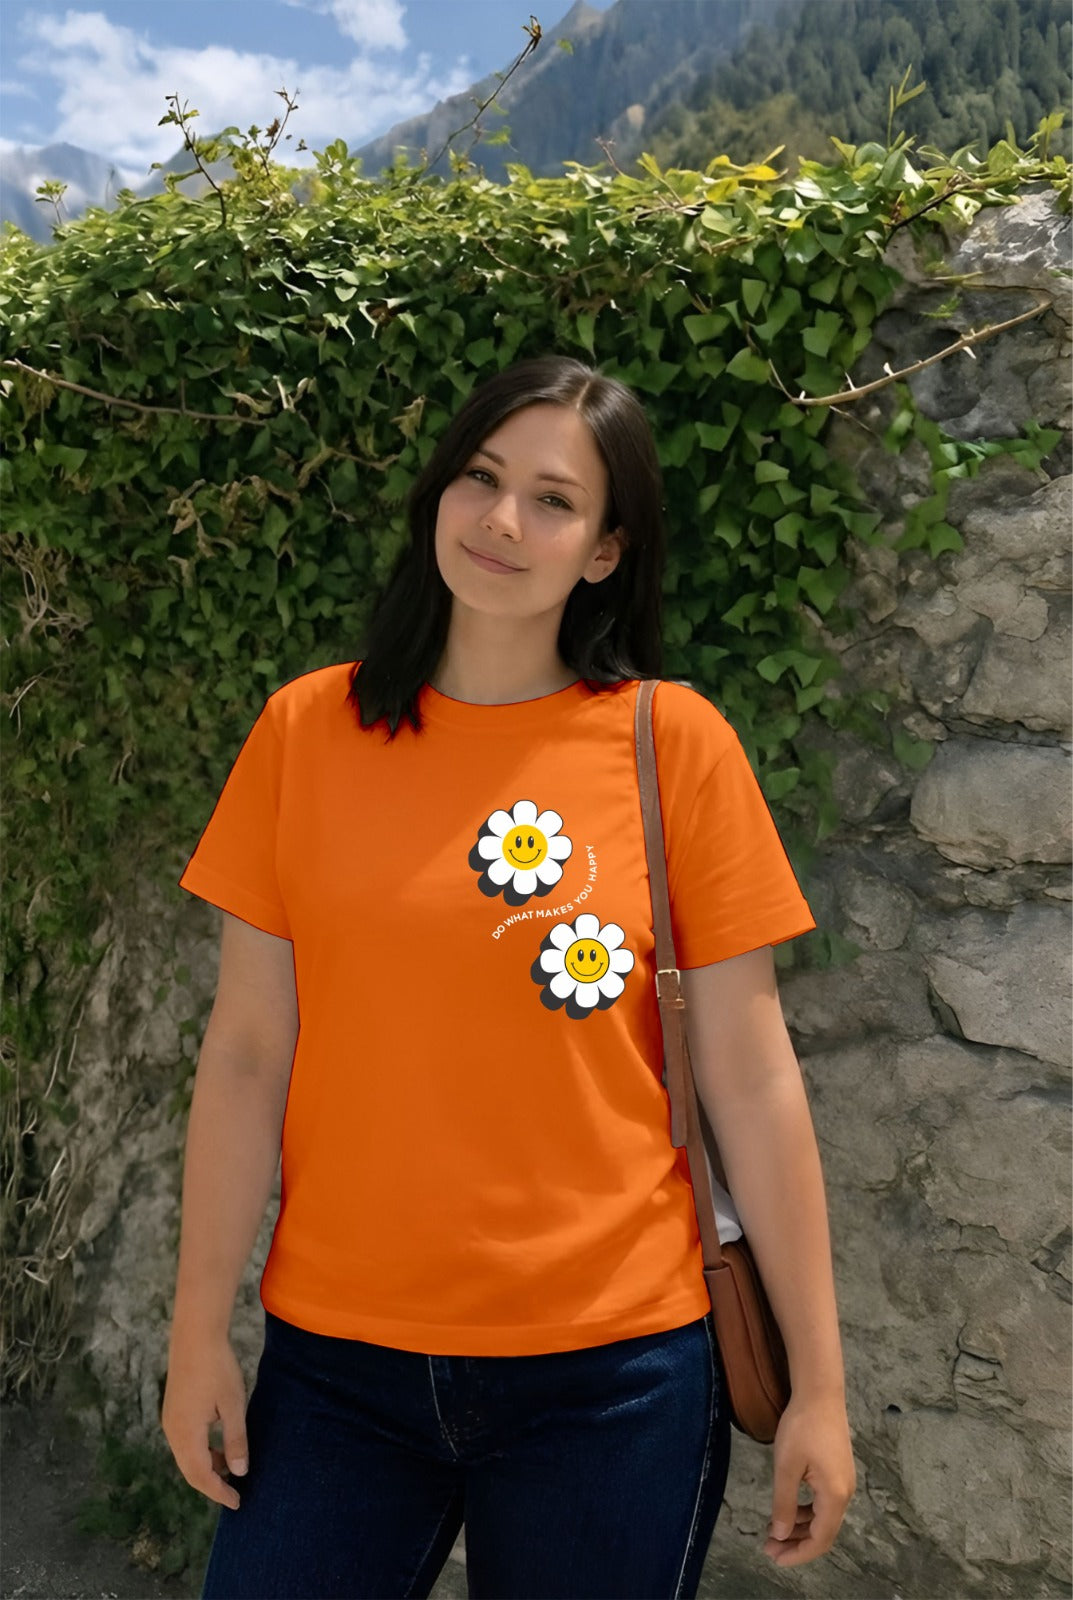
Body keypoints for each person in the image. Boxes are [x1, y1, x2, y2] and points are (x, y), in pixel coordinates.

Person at [162, 354, 855, 1599]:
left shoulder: (674, 746)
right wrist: (195, 1330)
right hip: (336, 1366)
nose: (501, 520)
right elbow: (250, 1053)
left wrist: (821, 1388)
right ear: (437, 493)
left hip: (614, 1376)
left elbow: (752, 1079)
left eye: (553, 500)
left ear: (603, 551)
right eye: (480, 478)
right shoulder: (303, 733)